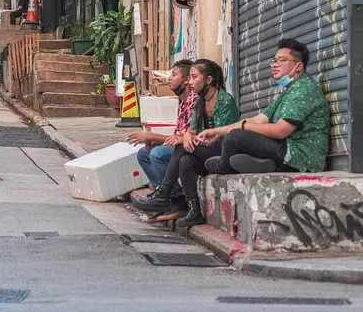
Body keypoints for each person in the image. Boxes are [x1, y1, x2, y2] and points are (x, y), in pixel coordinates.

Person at [197, 38, 329, 176]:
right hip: (286, 150)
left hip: (300, 158)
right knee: (232, 135)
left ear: (299, 66)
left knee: (235, 137)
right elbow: (259, 120)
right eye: (274, 60)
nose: (275, 65)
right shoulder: (288, 92)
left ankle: (225, 166)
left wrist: (244, 126)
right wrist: (217, 132)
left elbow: (280, 131)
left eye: (282, 60)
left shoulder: (304, 90)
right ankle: (264, 163)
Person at [133, 59, 239, 228]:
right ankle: (193, 209)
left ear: (209, 80)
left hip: (224, 152)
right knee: (185, 161)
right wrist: (189, 136)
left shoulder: (225, 100)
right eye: (189, 77)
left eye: (194, 77)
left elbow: (223, 135)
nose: (190, 82)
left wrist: (188, 139)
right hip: (205, 150)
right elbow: (192, 132)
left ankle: (164, 194)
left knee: (181, 148)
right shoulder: (199, 101)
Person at [127, 60, 194, 193]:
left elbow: (184, 138)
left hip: (192, 148)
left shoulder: (194, 101)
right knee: (143, 153)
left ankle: (176, 197)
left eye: (173, 75)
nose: (169, 79)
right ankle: (161, 192)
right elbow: (177, 136)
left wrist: (151, 135)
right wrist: (156, 140)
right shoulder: (182, 102)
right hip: (181, 146)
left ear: (186, 80)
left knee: (158, 154)